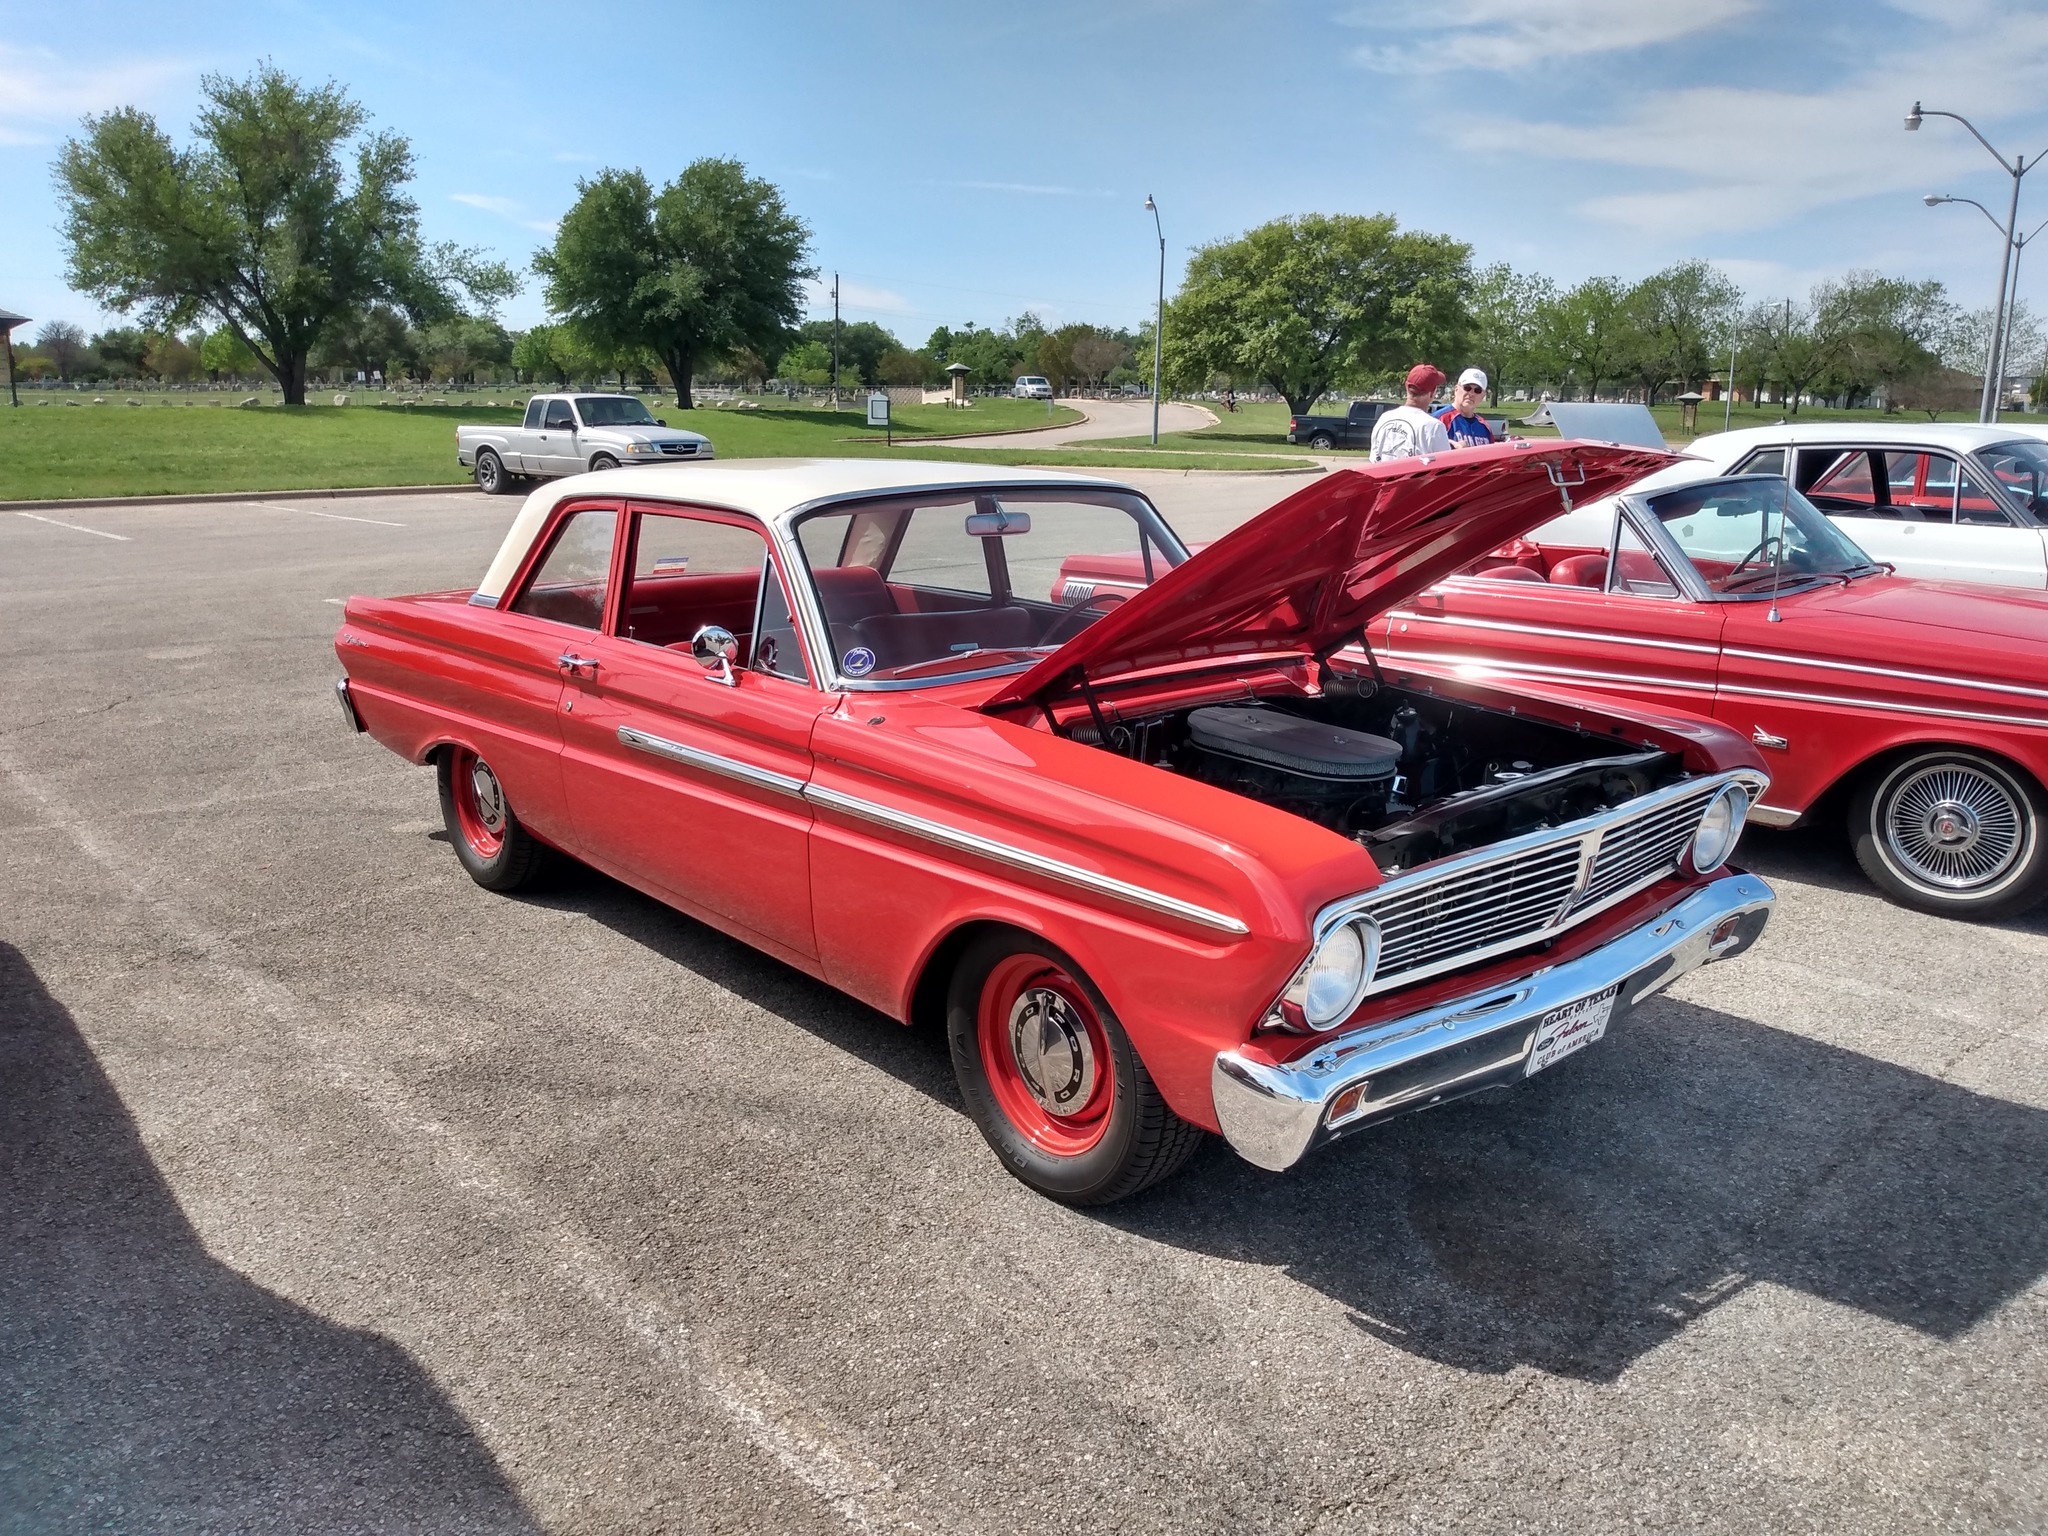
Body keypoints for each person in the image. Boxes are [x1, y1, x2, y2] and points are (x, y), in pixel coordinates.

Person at [1368, 364, 1453, 461]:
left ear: (1406, 386)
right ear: (1432, 393)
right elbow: (1446, 465)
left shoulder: (1384, 418)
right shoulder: (1434, 426)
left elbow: (1374, 459)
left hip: (1383, 471)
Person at [1436, 367, 1498, 448]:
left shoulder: (1484, 427)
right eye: (1467, 388)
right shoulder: (1439, 420)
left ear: (1483, 396)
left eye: (1477, 390)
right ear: (1456, 389)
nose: (1471, 394)